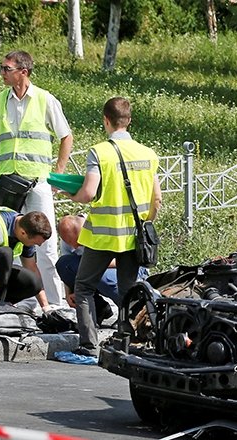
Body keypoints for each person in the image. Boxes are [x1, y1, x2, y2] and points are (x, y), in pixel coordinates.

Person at [67, 97, 161, 356]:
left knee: (84, 287)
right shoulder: (148, 154)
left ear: (105, 120)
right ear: (129, 121)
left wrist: (68, 194)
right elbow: (158, 199)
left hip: (102, 237)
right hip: (134, 237)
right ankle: (127, 339)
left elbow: (87, 193)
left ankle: (88, 345)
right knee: (128, 290)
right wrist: (146, 222)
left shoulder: (99, 152)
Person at [0, 50, 72, 307]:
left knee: (46, 243)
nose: (2, 73)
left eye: (6, 68)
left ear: (24, 72)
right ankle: (15, 299)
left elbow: (66, 136)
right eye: (2, 68)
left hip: (37, 183)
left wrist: (59, 173)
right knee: (7, 241)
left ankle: (53, 304)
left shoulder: (45, 99)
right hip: (8, 183)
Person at [55, 213, 148, 325]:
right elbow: (69, 266)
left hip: (127, 267)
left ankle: (131, 311)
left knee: (100, 276)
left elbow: (124, 261)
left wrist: (93, 267)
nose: (76, 247)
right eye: (72, 244)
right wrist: (69, 292)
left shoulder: (102, 228)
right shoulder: (67, 238)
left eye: (79, 243)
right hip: (96, 267)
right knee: (64, 264)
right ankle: (99, 308)